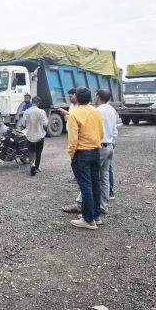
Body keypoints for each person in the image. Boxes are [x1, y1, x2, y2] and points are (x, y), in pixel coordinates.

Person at [66, 88, 103, 230]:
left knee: (85, 186)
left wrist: (71, 153)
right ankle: (95, 215)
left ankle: (88, 220)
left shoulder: (74, 114)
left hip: (81, 153)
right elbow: (101, 132)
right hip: (95, 150)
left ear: (77, 98)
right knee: (95, 184)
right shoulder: (96, 111)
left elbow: (73, 137)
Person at [95, 89, 118, 214]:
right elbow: (115, 130)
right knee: (104, 177)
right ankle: (104, 206)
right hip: (109, 146)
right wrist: (113, 143)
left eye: (95, 95)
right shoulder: (111, 110)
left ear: (98, 97)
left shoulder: (98, 111)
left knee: (92, 175)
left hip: (100, 147)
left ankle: (80, 203)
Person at [23, 96, 48, 176]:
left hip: (29, 135)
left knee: (30, 151)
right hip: (39, 135)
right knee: (38, 152)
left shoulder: (26, 111)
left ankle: (32, 165)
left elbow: (23, 123)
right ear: (38, 103)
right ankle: (36, 167)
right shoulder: (42, 112)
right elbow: (45, 124)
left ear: (32, 102)